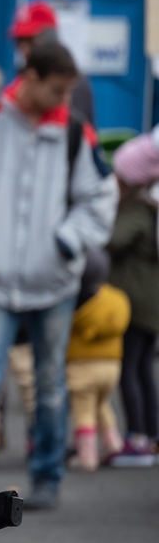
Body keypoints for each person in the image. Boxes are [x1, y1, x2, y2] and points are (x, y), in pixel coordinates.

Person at [0, 39, 118, 509]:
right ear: (29, 79)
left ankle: (47, 474)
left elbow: (100, 197)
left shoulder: (75, 130)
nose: (65, 100)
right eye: (58, 90)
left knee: (50, 384)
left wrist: (67, 242)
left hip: (53, 281)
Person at [107, 136, 159, 466]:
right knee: (143, 370)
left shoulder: (138, 210)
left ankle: (138, 438)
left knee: (130, 370)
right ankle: (150, 436)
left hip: (135, 307)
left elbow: (112, 241)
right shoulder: (151, 209)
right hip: (149, 307)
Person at [64, 248, 129, 472]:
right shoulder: (117, 299)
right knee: (102, 404)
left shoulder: (73, 301)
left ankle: (87, 457)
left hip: (81, 368)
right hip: (112, 367)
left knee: (83, 411)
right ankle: (113, 443)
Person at [9, 0, 95, 126]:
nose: (24, 49)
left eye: (30, 40)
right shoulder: (23, 75)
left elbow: (81, 134)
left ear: (51, 37)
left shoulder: (69, 79)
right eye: (19, 41)